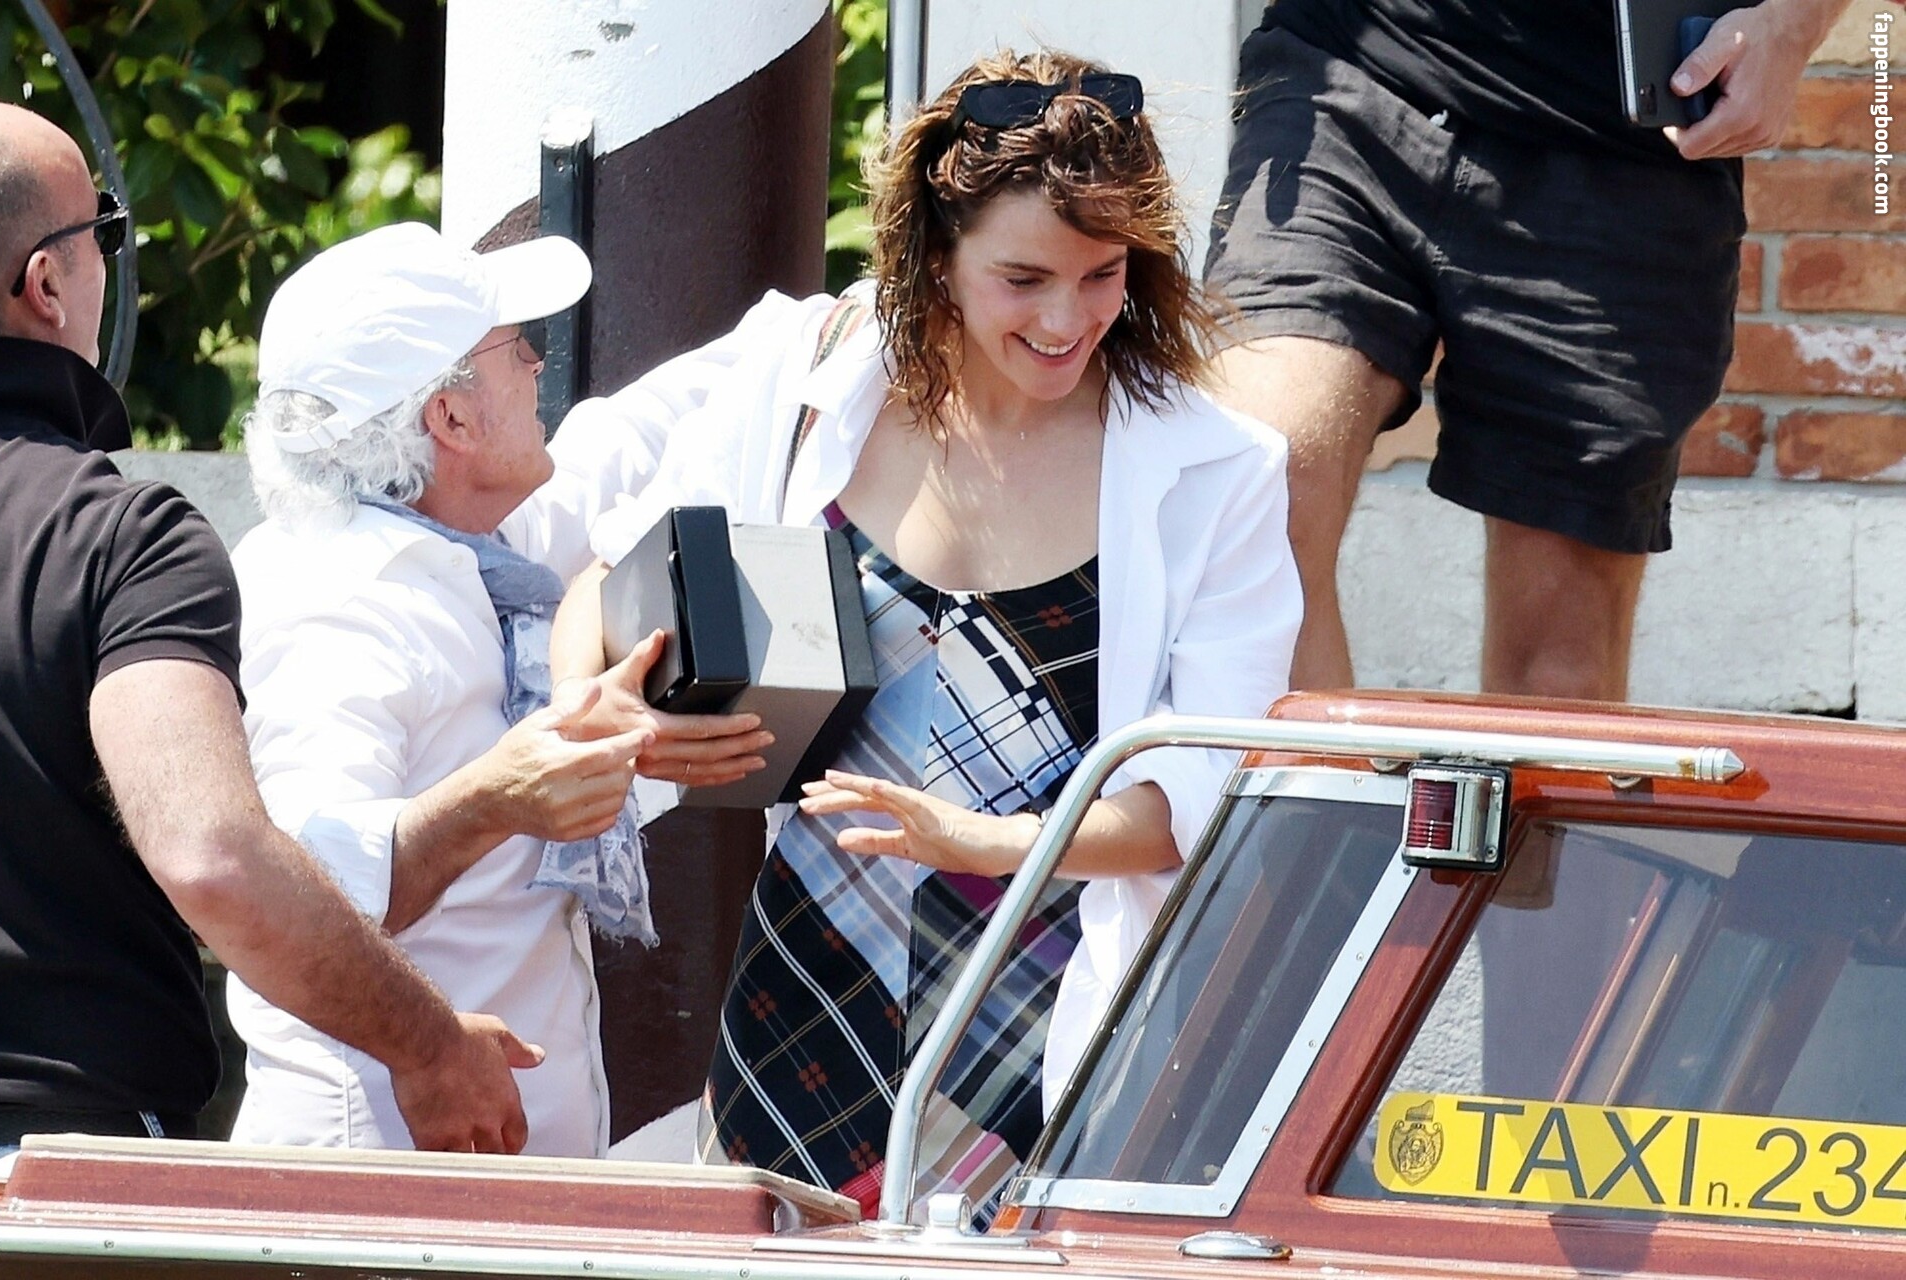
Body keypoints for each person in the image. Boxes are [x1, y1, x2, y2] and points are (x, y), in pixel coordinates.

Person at [551, 51, 1302, 1218]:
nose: (1067, 318)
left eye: (1103, 274)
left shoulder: (1218, 472)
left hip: (1053, 1012)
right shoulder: (809, 381)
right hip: (802, 994)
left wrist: (983, 839)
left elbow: (1199, 798)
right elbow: (614, 580)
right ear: (936, 255)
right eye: (1023, 278)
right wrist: (593, 709)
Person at [0, 104, 538, 1160]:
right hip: (54, 1173)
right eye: (104, 233)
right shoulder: (117, 538)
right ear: (47, 283)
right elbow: (211, 854)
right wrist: (429, 1047)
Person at [226, 224, 769, 1156]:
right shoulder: (337, 605)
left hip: (475, 1168)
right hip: (375, 1175)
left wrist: (821, 332)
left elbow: (629, 437)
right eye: (515, 345)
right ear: (451, 420)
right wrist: (498, 795)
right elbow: (301, 886)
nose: (536, 364)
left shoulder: (479, 550)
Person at [1204, 0, 1852, 700]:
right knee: (1262, 484)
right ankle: (1315, 779)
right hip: (1349, 76)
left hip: (1621, 142)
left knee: (1558, 674)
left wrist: (1790, 26)